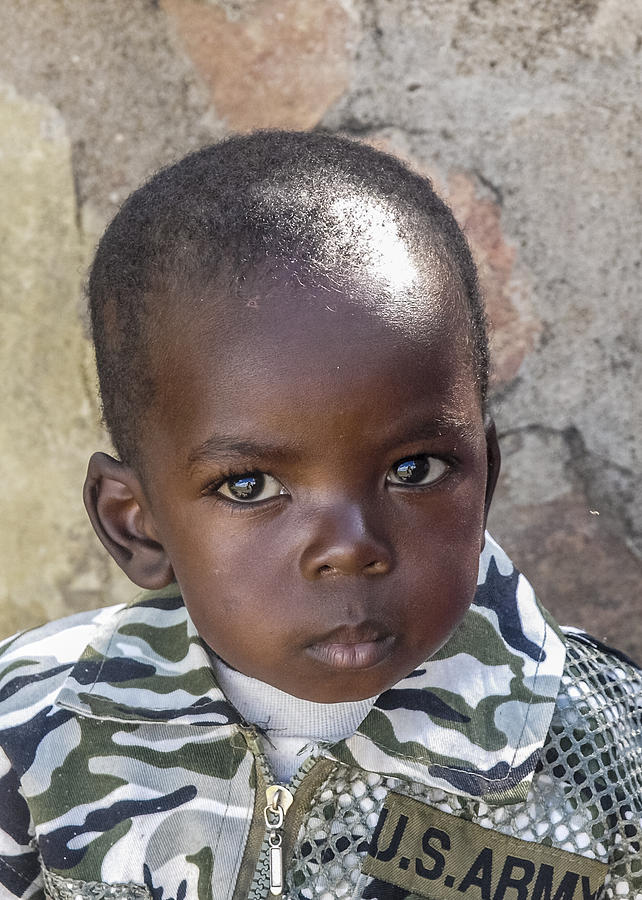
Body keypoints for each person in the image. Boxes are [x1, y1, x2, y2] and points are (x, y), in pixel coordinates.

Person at [0, 131, 639, 900]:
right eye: (249, 486)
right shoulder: (32, 730)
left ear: (485, 476)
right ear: (136, 524)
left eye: (415, 470)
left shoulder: (611, 755)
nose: (350, 548)